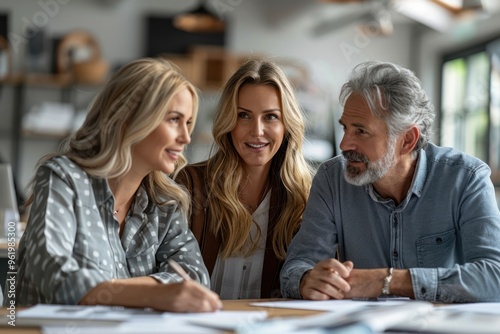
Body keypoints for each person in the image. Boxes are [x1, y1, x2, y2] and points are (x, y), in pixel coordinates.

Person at [9, 58, 222, 312]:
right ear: (129, 119)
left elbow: (195, 276)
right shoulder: (63, 179)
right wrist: (153, 295)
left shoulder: (165, 202)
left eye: (188, 123)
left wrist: (110, 289)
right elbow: (54, 275)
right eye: (174, 120)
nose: (185, 137)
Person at [281, 60, 500, 303]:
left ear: (407, 140)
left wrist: (386, 281)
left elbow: (495, 276)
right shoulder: (331, 179)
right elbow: (297, 266)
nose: (344, 145)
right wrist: (306, 280)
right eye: (345, 128)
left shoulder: (466, 178)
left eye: (361, 131)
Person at [175, 58, 313, 299]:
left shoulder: (304, 197)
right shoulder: (190, 184)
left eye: (270, 117)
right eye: (243, 115)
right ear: (228, 121)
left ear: (286, 125)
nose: (257, 131)